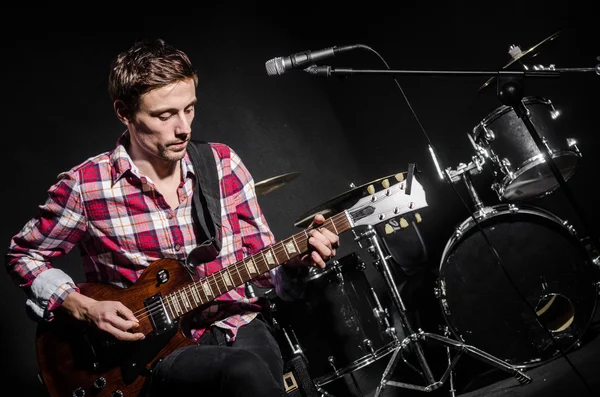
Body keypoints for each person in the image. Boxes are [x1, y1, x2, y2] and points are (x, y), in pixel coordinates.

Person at [5, 38, 339, 397]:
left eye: (189, 109)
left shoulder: (222, 164)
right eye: (165, 115)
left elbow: (266, 273)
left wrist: (294, 264)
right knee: (242, 372)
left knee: (251, 370)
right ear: (124, 112)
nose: (184, 128)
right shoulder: (87, 186)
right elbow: (24, 256)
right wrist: (84, 307)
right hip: (149, 354)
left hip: (237, 323)